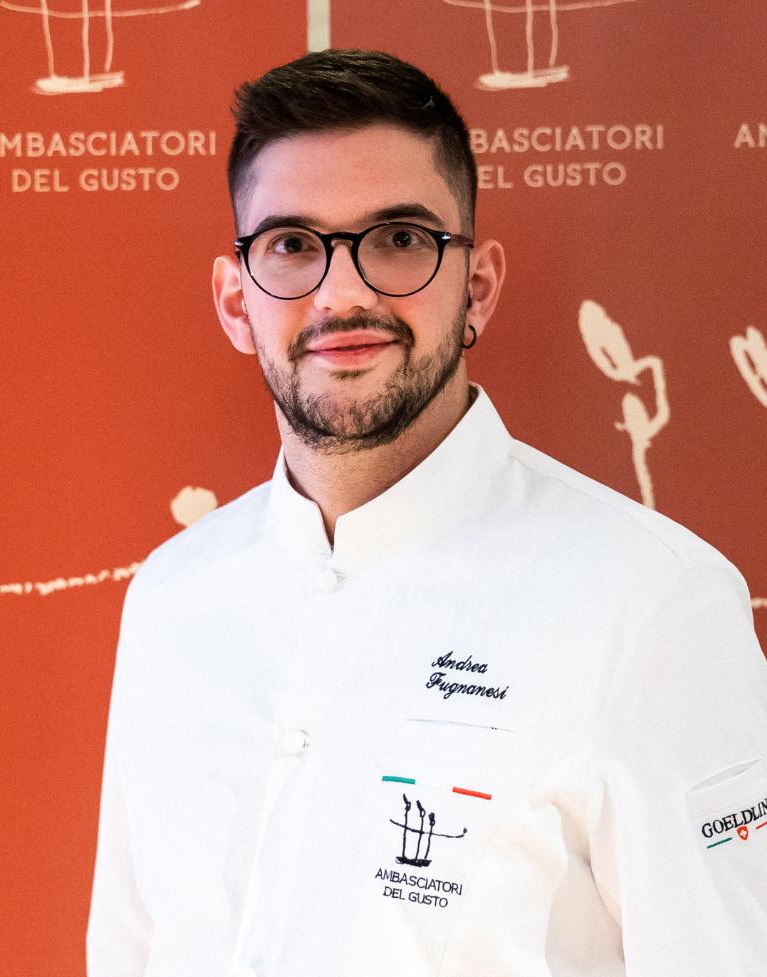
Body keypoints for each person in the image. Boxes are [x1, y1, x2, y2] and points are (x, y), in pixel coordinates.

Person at [86, 49, 767, 977]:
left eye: (399, 238)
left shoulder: (653, 606)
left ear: (476, 287)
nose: (344, 293)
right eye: (292, 245)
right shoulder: (171, 600)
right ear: (235, 301)